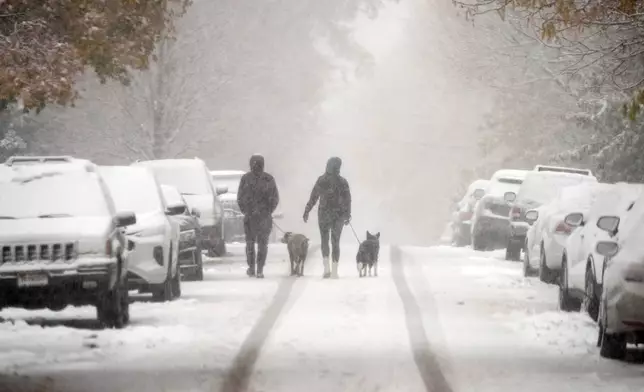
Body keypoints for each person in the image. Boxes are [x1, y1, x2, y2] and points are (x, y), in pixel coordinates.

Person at [303, 157, 352, 279]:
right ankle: (334, 271)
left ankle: (326, 269)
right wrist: (347, 214)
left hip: (324, 215)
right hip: (338, 216)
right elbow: (347, 200)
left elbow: (313, 197)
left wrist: (307, 210)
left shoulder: (321, 180)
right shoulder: (343, 182)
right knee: (336, 242)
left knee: (324, 241)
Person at [237, 154, 280, 278]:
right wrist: (268, 211)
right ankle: (260, 269)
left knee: (250, 243)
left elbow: (240, 198)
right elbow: (275, 198)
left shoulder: (245, 179)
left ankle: (251, 267)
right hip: (264, 217)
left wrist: (246, 211)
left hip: (250, 217)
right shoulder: (269, 179)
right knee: (262, 243)